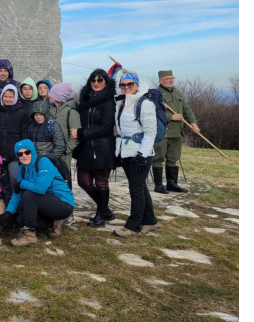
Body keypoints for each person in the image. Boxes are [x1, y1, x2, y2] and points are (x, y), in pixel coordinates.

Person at [0, 139, 75, 246]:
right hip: (46, 204)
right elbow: (18, 192)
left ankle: (29, 235)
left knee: (29, 194)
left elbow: (40, 189)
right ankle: (54, 223)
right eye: (20, 153)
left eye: (27, 152)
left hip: (63, 204)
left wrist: (22, 183)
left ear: (32, 151)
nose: (24, 155)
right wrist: (9, 212)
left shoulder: (43, 162)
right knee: (20, 220)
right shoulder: (23, 169)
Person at [113, 73, 160, 237]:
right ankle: (150, 220)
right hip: (126, 152)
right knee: (140, 186)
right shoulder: (121, 103)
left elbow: (150, 132)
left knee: (135, 189)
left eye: (130, 84)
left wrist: (142, 154)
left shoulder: (145, 103)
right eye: (123, 85)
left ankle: (133, 225)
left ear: (137, 85)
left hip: (140, 153)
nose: (126, 87)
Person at [71, 69, 117, 228]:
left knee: (101, 182)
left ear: (106, 82)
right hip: (85, 148)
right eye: (93, 80)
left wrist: (82, 133)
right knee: (83, 182)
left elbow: (106, 127)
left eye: (100, 80)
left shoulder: (109, 101)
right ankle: (105, 210)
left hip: (103, 148)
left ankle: (100, 215)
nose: (96, 83)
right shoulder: (84, 100)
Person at [153, 70, 199, 194]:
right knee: (158, 158)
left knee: (173, 158)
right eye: (167, 78)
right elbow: (154, 112)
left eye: (172, 78)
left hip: (177, 132)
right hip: (162, 132)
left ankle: (172, 184)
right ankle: (158, 185)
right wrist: (171, 117)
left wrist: (193, 122)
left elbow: (186, 108)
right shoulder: (156, 94)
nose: (171, 80)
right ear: (161, 80)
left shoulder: (177, 92)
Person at [0, 84, 29, 201]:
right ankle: (6, 202)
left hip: (14, 155)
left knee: (14, 178)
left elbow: (25, 135)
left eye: (11, 97)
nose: (8, 99)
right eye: (6, 96)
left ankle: (17, 202)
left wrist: (22, 152)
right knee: (1, 180)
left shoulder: (21, 113)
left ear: (15, 97)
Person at [48, 83, 81, 176]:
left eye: (51, 94)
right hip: (49, 153)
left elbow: (75, 136)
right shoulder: (49, 111)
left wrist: (65, 149)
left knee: (62, 181)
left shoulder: (71, 112)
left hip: (63, 155)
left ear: (58, 96)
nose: (48, 95)